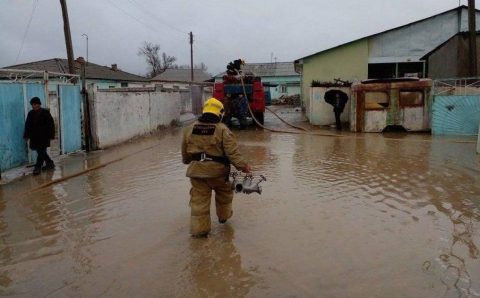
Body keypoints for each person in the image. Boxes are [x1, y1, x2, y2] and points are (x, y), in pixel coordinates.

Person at [181, 97, 252, 238]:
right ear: (219, 113)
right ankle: (223, 217)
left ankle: (199, 232)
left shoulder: (189, 129)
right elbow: (232, 152)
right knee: (224, 195)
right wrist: (244, 166)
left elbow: (185, 154)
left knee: (199, 203)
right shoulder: (222, 130)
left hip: (197, 174)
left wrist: (188, 161)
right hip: (219, 174)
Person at [23, 97, 55, 175]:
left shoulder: (45, 112)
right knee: (40, 151)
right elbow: (27, 125)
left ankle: (38, 167)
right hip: (34, 136)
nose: (34, 106)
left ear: (39, 104)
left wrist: (51, 135)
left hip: (44, 136)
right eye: (32, 105)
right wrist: (26, 135)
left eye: (35, 104)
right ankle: (50, 163)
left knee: (41, 151)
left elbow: (51, 124)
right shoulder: (30, 113)